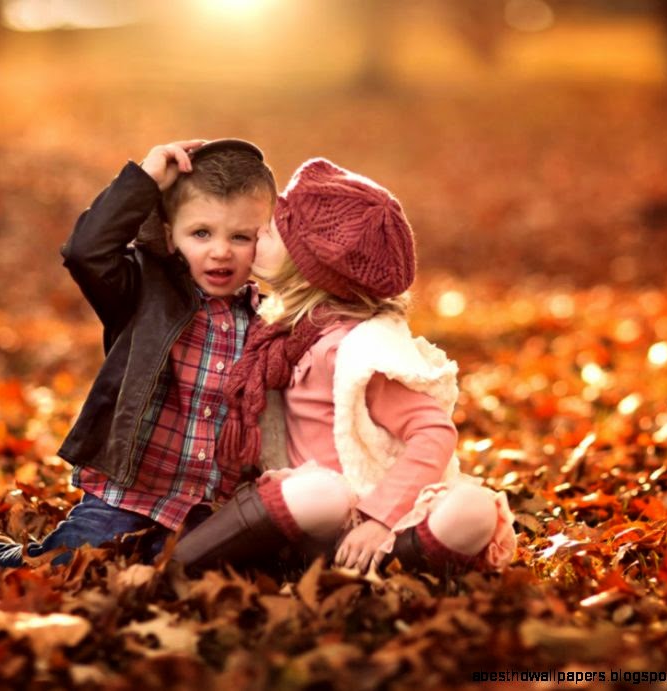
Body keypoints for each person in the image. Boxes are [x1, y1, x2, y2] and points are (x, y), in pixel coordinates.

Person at [0, 139, 277, 584]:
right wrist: (144, 180)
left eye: (241, 236)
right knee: (65, 571)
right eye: (201, 233)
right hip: (126, 497)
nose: (221, 251)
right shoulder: (143, 291)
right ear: (169, 233)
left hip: (204, 509)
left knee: (194, 579)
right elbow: (86, 252)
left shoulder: (269, 320)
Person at [171, 158, 517, 575]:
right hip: (315, 512)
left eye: (272, 229)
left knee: (473, 509)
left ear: (309, 266)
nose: (258, 232)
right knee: (321, 495)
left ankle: (386, 562)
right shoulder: (283, 334)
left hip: (380, 510)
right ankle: (182, 562)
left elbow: (433, 432)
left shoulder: (357, 351)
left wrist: (377, 519)